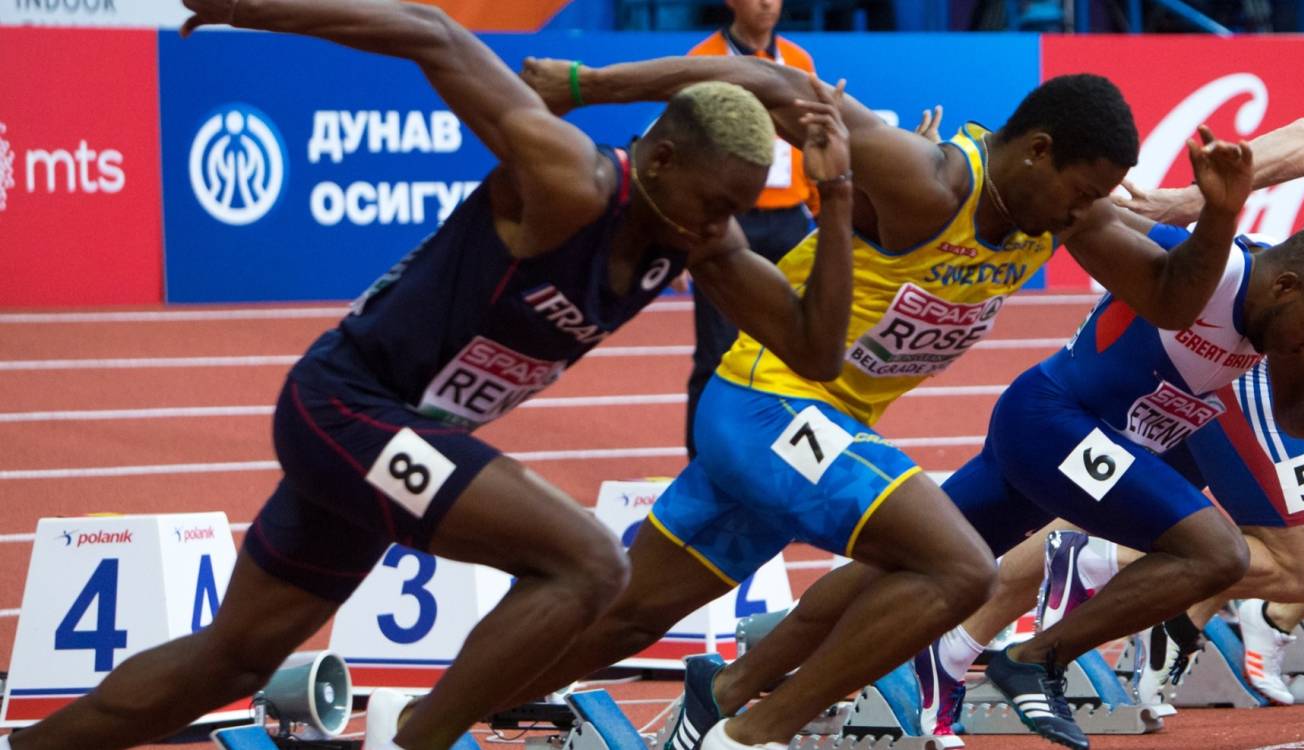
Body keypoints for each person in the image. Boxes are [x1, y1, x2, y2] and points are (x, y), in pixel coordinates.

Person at [2, 2, 857, 750]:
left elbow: (817, 352)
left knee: (233, 657)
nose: (722, 227)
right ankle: (419, 739)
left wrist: (839, 194)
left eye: (738, 212)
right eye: (715, 205)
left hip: (393, 439)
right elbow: (434, 34)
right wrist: (252, 5)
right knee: (590, 563)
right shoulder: (566, 180)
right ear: (661, 161)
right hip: (345, 405)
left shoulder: (699, 243)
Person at [508, 55, 1256, 750]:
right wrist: (584, 87)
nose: (1084, 214)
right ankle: (747, 736)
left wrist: (1219, 217)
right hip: (766, 405)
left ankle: (424, 719)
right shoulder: (928, 180)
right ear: (1037, 150)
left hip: (811, 434)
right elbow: (765, 81)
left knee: (630, 616)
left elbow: (1167, 299)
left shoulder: (1057, 217)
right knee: (961, 567)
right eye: (1083, 191)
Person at [931, 190, 1304, 750]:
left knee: (923, 559)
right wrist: (974, 191)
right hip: (1051, 423)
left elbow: (1298, 411)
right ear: (1285, 287)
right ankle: (1034, 659)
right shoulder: (1207, 266)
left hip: (1106, 442)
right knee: (1215, 552)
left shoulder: (1284, 324)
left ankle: (834, 663)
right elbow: (1085, 215)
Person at [682, 0, 822, 457]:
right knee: (716, 352)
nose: (768, 3)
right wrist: (687, 228)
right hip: (727, 223)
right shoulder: (703, 60)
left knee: (797, 350)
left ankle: (780, 460)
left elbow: (814, 139)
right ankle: (702, 463)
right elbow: (686, 149)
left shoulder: (799, 61)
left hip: (790, 223)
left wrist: (822, 211)